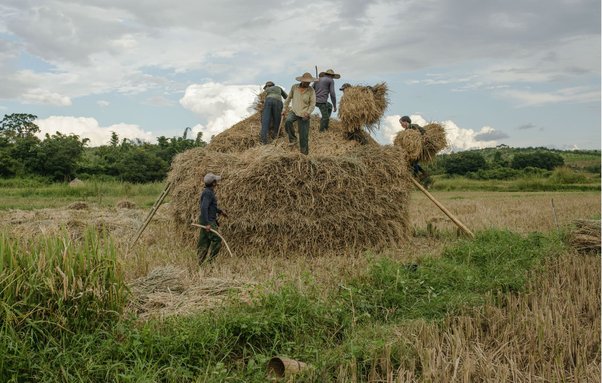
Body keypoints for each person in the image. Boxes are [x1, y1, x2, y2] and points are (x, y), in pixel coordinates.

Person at [282, 72, 317, 155]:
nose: (307, 83)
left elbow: (312, 103)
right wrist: (284, 109)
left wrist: (308, 113)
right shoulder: (294, 87)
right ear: (302, 80)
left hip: (304, 114)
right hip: (294, 111)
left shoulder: (311, 90)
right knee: (288, 121)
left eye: (309, 82)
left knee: (303, 137)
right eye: (306, 82)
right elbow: (288, 98)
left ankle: (304, 155)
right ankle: (293, 139)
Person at [197, 172, 227, 264]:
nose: (217, 183)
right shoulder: (208, 193)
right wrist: (207, 223)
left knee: (204, 241)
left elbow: (210, 207)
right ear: (213, 183)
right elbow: (203, 207)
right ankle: (210, 262)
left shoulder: (208, 192)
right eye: (216, 181)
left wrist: (220, 211)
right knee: (217, 239)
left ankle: (200, 262)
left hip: (206, 220)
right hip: (209, 221)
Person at [399, 115, 432, 187]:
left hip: (418, 149)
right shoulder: (405, 131)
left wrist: (425, 137)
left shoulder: (413, 126)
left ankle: (417, 175)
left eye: (401, 123)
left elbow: (423, 130)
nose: (401, 125)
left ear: (405, 121)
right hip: (412, 150)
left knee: (413, 163)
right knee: (412, 163)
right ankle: (423, 173)